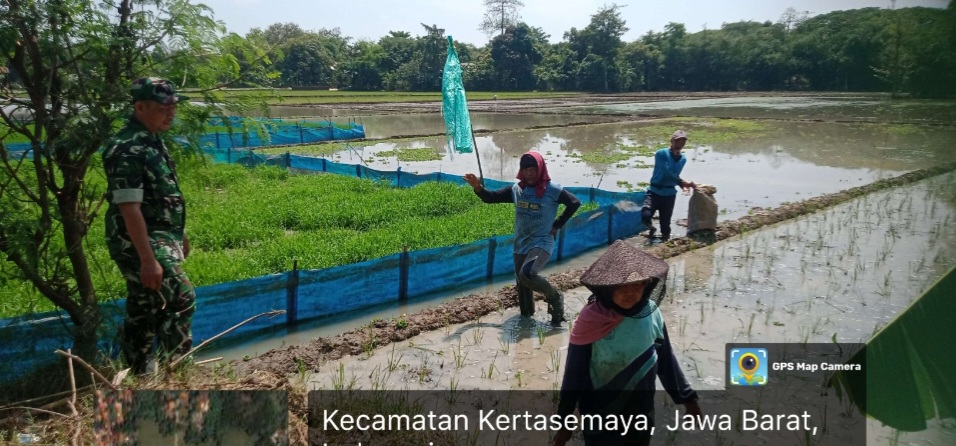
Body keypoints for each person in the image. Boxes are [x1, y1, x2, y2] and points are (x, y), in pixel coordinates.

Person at [552, 240, 701, 446]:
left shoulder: (651, 314)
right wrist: (564, 420)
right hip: (599, 410)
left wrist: (688, 398)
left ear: (646, 285)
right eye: (621, 286)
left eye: (636, 285)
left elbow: (665, 359)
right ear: (607, 288)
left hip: (641, 409)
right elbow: (574, 373)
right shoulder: (591, 319)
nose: (630, 292)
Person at [102, 77, 195, 374]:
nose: (171, 113)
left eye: (173, 107)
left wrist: (180, 233)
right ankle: (178, 374)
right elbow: (129, 207)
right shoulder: (127, 147)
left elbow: (161, 196)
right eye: (163, 108)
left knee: (145, 306)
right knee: (181, 297)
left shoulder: (151, 140)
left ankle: (136, 373)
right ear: (140, 107)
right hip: (138, 240)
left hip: (160, 236)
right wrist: (147, 259)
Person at [463, 152, 581, 326]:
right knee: (522, 283)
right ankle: (526, 319)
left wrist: (557, 224)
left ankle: (555, 298)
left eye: (533, 169)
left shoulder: (553, 190)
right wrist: (478, 187)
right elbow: (491, 198)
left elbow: (574, 203)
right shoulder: (517, 190)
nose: (529, 174)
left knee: (527, 274)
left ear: (540, 169)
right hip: (521, 242)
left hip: (542, 241)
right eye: (525, 170)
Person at [642, 130, 695, 241]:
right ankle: (652, 229)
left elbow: (674, 175)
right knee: (646, 215)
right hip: (654, 191)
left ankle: (664, 243)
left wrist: (683, 186)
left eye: (683, 141)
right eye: (678, 140)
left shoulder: (683, 159)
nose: (680, 143)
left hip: (669, 195)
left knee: (665, 227)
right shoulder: (661, 153)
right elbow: (666, 172)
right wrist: (683, 183)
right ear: (672, 141)